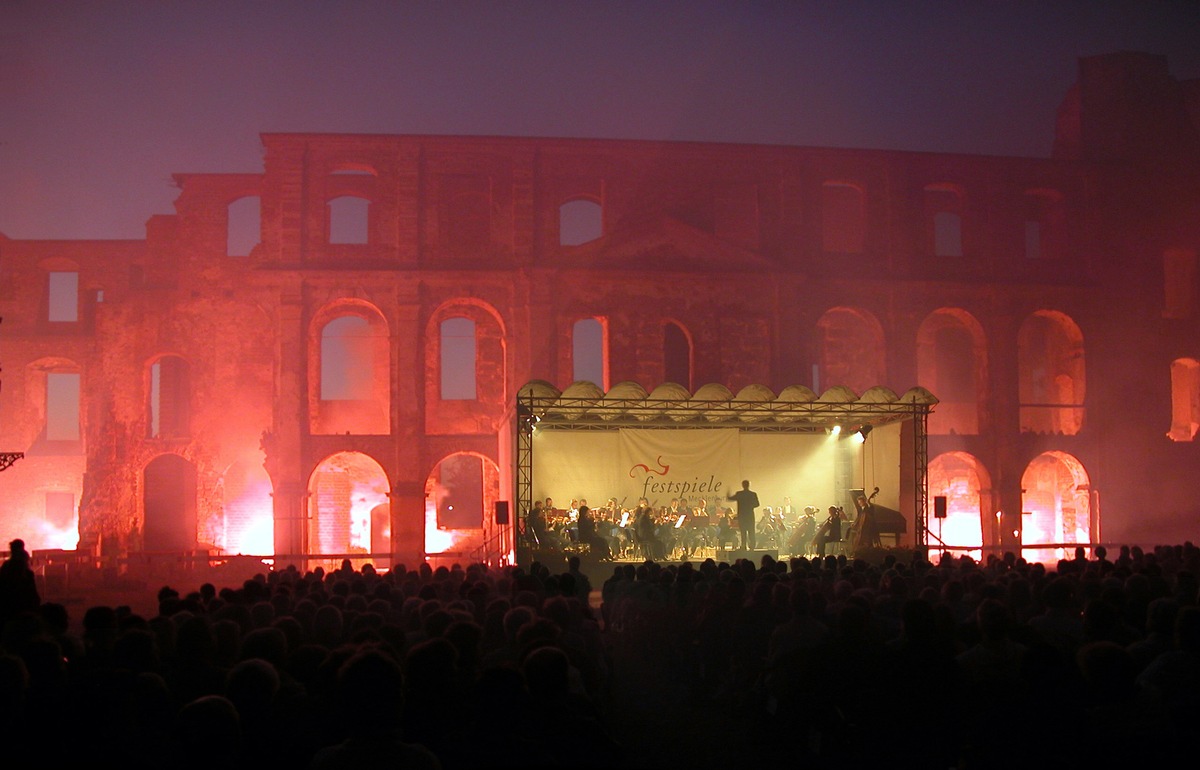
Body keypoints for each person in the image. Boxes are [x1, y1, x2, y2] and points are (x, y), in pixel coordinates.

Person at [0, 538, 41, 631]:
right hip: (23, 606)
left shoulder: (6, 567)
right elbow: (32, 592)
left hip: (8, 606)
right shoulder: (25, 570)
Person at [727, 479, 760, 551]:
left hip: (742, 516)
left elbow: (730, 498)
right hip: (750, 515)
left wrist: (728, 492)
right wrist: (750, 506)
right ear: (749, 485)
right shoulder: (753, 494)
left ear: (742, 485)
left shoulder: (739, 494)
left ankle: (743, 546)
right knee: (751, 531)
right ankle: (752, 546)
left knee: (743, 531)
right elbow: (757, 504)